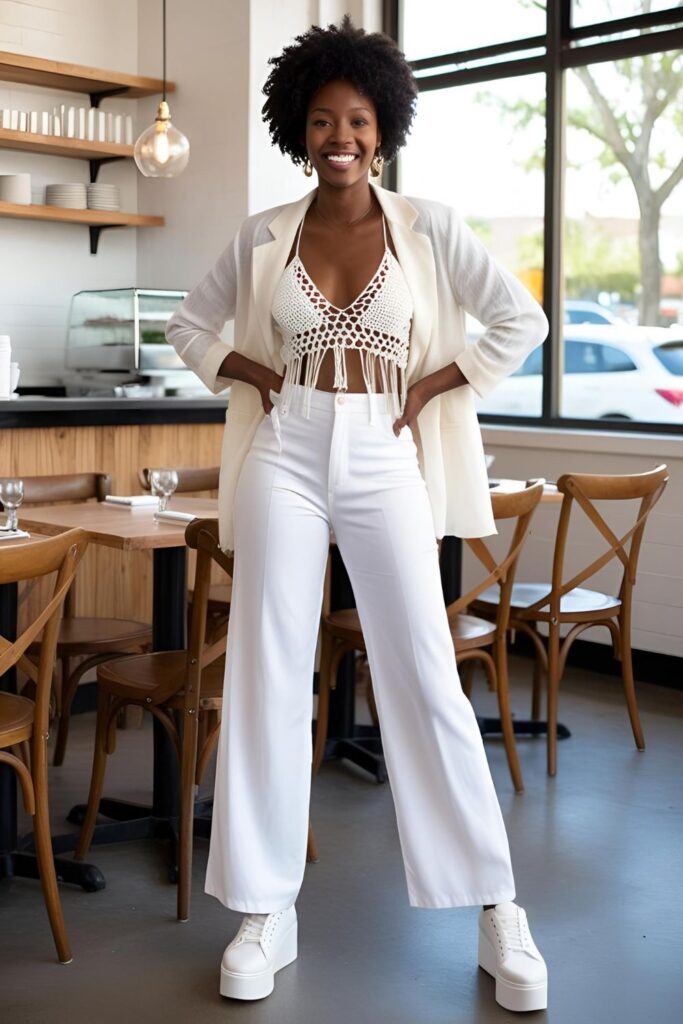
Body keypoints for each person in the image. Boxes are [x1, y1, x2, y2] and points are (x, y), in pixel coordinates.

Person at [166, 15, 549, 1014]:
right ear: (299, 127)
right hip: (285, 449)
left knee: (421, 669)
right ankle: (261, 907)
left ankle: (497, 907)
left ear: (383, 129)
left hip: (384, 454)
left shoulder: (427, 227)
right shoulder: (262, 236)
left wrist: (430, 388)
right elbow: (189, 323)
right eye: (324, 121)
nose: (341, 136)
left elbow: (520, 319)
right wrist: (247, 368)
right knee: (263, 667)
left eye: (359, 120)